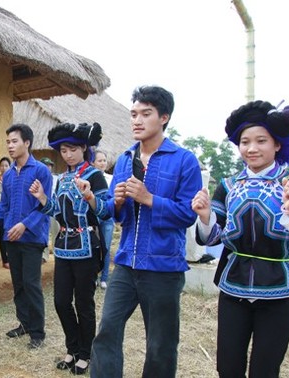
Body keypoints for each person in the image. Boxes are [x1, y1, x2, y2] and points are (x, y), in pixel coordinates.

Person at [191, 99, 289, 377]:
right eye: (245, 142)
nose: (251, 148)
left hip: (280, 290)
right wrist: (206, 216)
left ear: (277, 144)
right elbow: (212, 238)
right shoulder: (229, 186)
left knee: (265, 370)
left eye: (261, 141)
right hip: (234, 288)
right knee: (227, 367)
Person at [90, 85, 202, 377]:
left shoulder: (184, 160)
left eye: (145, 114)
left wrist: (149, 198)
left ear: (163, 117)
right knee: (107, 331)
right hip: (126, 263)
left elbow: (188, 215)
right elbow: (119, 215)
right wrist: (117, 203)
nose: (136, 121)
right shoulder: (126, 158)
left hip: (163, 267)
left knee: (160, 346)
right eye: (133, 114)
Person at [30, 122, 108, 375]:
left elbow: (106, 211)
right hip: (63, 248)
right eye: (63, 150)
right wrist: (43, 198)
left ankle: (86, 353)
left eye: (73, 149)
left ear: (84, 149)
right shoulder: (62, 178)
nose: (68, 155)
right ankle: (72, 348)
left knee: (84, 303)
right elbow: (57, 212)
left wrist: (90, 197)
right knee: (61, 301)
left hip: (86, 247)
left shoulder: (94, 176)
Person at [0, 123, 52, 349]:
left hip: (32, 238)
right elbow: (4, 206)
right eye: (8, 142)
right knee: (18, 285)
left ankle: (38, 333)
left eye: (14, 141)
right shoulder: (8, 175)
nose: (10, 146)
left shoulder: (41, 170)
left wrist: (25, 225)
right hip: (11, 238)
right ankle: (24, 324)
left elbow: (45, 206)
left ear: (27, 143)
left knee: (31, 285)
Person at [91, 149, 114, 289]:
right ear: (93, 163)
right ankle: (93, 276)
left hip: (108, 217)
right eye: (99, 160)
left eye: (104, 160)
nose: (102, 163)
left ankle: (104, 277)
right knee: (94, 247)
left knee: (106, 247)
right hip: (94, 216)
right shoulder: (91, 178)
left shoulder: (111, 179)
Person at [40, 156, 59, 263]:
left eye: (50, 165)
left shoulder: (57, 178)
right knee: (44, 231)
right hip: (43, 208)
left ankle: (57, 254)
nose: (48, 167)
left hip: (55, 207)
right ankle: (44, 255)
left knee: (56, 231)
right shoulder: (38, 180)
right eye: (46, 165)